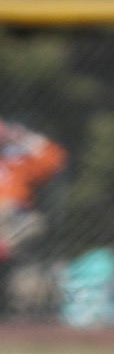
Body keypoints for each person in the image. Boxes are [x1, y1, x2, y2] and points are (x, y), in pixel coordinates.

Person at [0, 118, 66, 316]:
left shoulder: (17, 159)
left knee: (34, 224)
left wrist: (24, 137)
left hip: (15, 218)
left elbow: (56, 159)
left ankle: (4, 247)